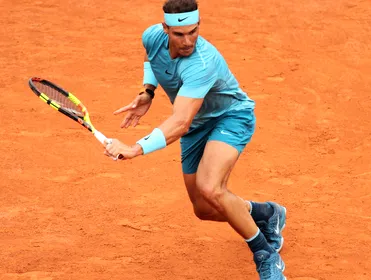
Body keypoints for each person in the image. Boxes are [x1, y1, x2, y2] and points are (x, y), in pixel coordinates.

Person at [103, 0, 287, 279]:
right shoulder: (152, 36)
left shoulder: (203, 61)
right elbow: (151, 57)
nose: (188, 40)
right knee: (203, 209)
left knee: (210, 188)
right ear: (165, 29)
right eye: (179, 34)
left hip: (230, 118)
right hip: (196, 126)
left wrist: (134, 149)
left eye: (193, 31)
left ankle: (265, 255)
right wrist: (148, 91)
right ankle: (265, 213)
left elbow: (180, 122)